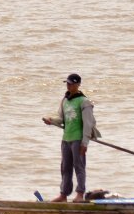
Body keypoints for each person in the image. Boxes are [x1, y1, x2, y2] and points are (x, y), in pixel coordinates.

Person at [41, 72, 100, 203]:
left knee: (79, 166)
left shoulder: (84, 102)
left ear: (77, 85)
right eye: (67, 83)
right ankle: (64, 194)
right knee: (65, 167)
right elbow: (61, 119)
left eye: (71, 84)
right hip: (66, 138)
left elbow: (88, 124)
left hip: (78, 139)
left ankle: (80, 193)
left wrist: (85, 143)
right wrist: (51, 120)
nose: (68, 86)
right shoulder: (65, 100)